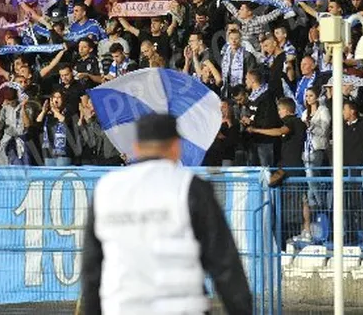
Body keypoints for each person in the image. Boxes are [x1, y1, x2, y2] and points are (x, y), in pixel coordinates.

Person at [81, 113, 253, 315]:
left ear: (136, 148)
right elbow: (224, 263)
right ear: (176, 147)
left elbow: (92, 268)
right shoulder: (190, 187)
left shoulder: (106, 189)